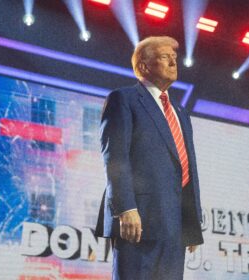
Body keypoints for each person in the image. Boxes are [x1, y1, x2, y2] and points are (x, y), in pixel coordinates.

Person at [95, 36, 203, 280]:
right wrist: (126, 209)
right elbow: (115, 156)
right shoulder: (124, 99)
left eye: (175, 58)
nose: (174, 62)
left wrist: (192, 223)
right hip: (139, 220)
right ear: (144, 66)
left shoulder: (181, 113)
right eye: (165, 57)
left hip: (176, 225)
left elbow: (187, 169)